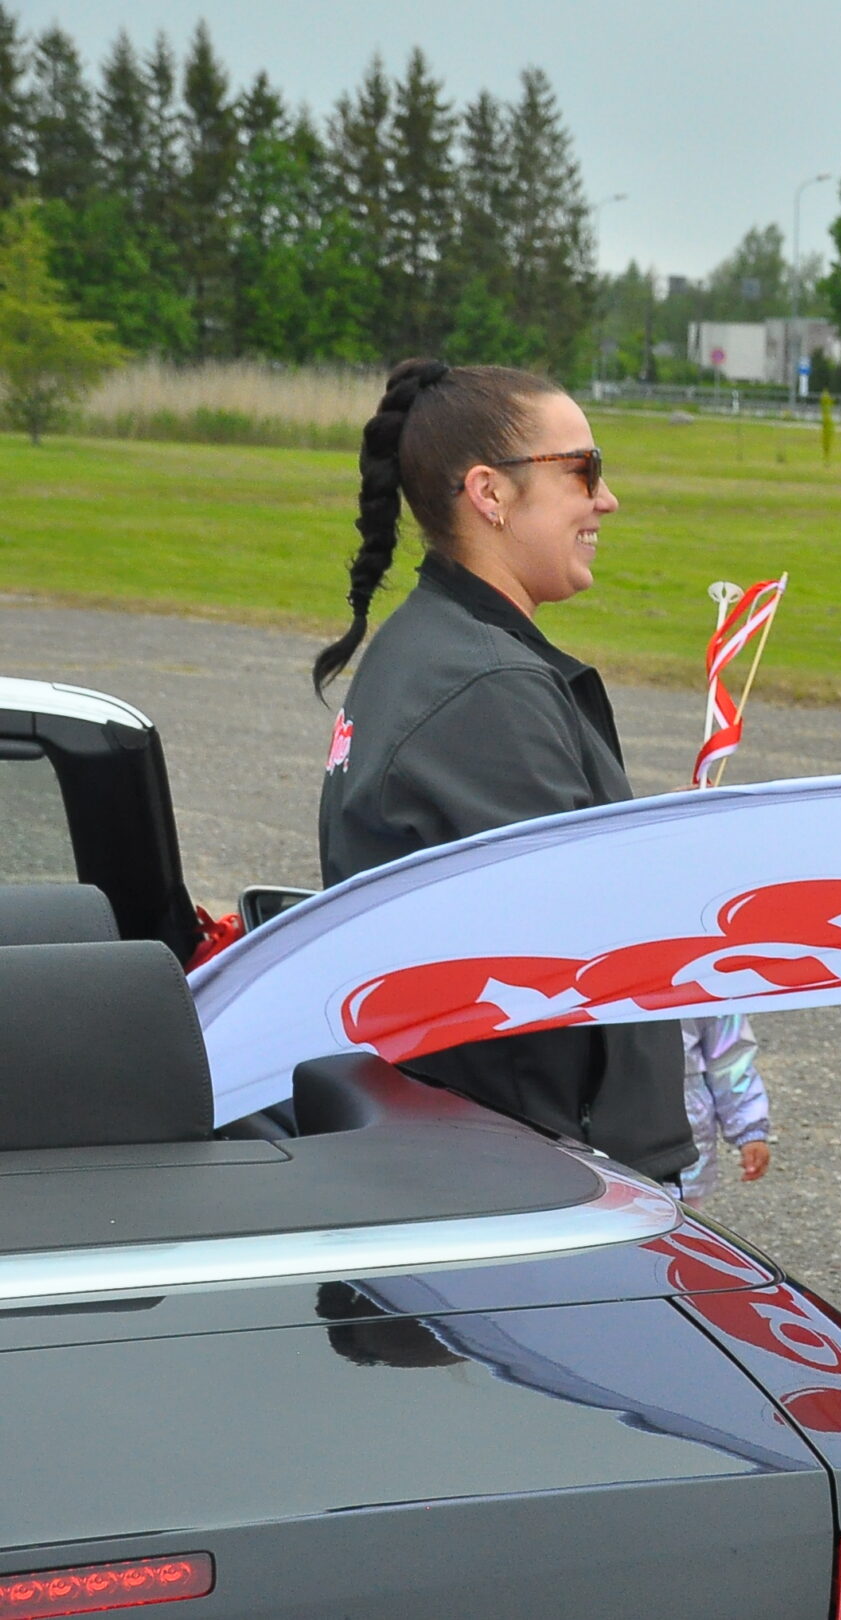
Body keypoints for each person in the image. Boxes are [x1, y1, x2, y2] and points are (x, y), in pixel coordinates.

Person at [314, 358, 692, 1187]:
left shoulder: (437, 645)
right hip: (533, 1168)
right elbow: (578, 946)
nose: (606, 499)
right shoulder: (486, 685)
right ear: (490, 493)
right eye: (582, 470)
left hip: (483, 1145)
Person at [675, 1014, 773, 1204]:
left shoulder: (699, 996)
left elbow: (729, 1057)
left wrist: (749, 1128)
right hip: (615, 1139)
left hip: (680, 1144)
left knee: (680, 1216)